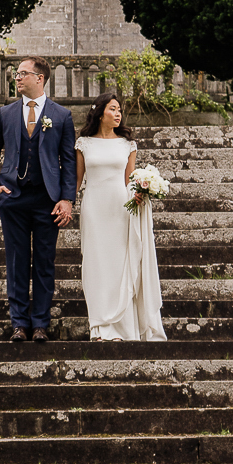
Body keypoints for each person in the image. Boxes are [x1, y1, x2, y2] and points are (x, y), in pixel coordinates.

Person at [0, 57, 76, 341]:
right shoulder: (5, 113)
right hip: (13, 198)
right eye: (17, 74)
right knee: (16, 261)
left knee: (45, 262)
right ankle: (19, 324)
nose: (17, 78)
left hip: (48, 199)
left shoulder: (61, 115)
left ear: (40, 78)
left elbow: (69, 162)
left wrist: (67, 199)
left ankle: (40, 325)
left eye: (23, 74)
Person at [75, 91, 166, 341]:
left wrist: (139, 193)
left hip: (120, 208)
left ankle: (122, 328)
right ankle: (100, 327)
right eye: (113, 109)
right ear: (100, 111)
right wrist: (65, 202)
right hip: (94, 207)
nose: (118, 114)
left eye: (119, 110)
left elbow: (130, 180)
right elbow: (77, 180)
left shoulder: (128, 144)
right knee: (96, 264)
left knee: (118, 265)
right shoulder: (83, 143)